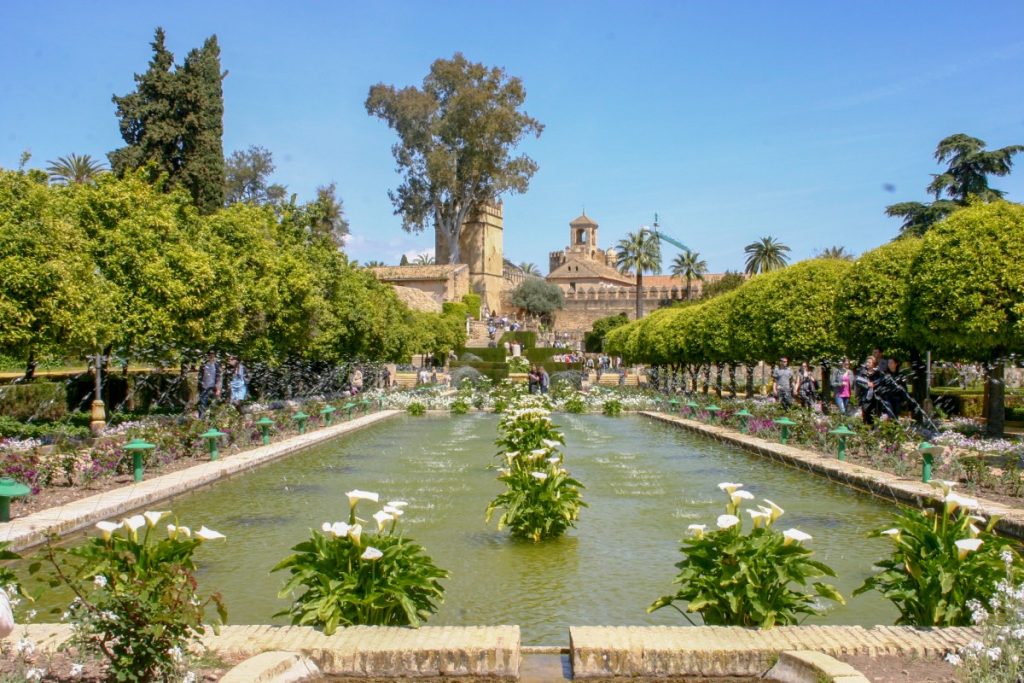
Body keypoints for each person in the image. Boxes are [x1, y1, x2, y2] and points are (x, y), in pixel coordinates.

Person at [856, 356, 882, 425]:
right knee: (864, 413)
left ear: (873, 364)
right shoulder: (862, 372)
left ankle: (870, 430)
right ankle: (864, 428)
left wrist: (874, 385)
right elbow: (858, 381)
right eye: (867, 362)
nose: (867, 364)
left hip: (874, 397)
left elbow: (880, 382)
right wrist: (867, 385)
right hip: (865, 396)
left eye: (869, 362)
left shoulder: (877, 373)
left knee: (872, 415)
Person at [197, 351, 222, 417]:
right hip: (204, 388)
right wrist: (199, 387)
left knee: (213, 405)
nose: (211, 357)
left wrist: (218, 389)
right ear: (208, 356)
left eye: (213, 355)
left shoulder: (217, 365)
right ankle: (201, 420)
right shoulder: (203, 365)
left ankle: (211, 421)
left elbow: (219, 377)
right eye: (210, 355)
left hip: (213, 388)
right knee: (202, 404)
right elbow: (200, 377)